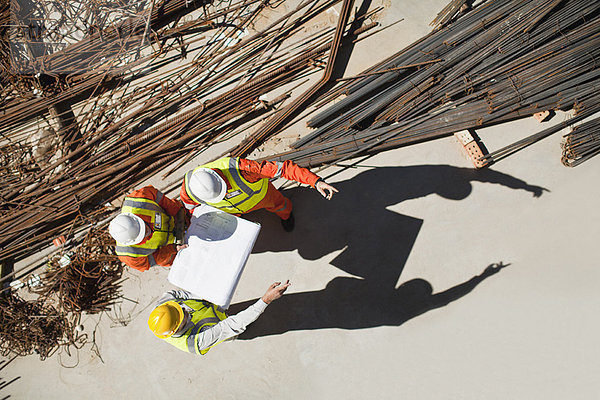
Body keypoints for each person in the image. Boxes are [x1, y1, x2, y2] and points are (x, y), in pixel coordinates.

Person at [180, 157, 338, 231]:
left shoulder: (241, 170)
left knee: (281, 206)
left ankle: (286, 216)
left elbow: (283, 169)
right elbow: (190, 206)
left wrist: (315, 181)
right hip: (234, 211)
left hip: (263, 197)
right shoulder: (191, 187)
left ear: (221, 177)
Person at [148, 280, 290, 355]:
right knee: (239, 328)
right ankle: (240, 334)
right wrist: (265, 300)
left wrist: (206, 296)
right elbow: (233, 325)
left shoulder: (163, 308)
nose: (184, 309)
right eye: (182, 314)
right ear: (177, 328)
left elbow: (176, 294)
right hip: (224, 327)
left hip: (214, 309)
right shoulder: (196, 341)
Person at [109, 185, 189, 272]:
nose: (149, 232)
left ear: (136, 218)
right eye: (143, 235)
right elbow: (152, 260)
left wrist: (177, 211)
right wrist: (172, 249)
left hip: (177, 216)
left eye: (144, 227)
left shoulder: (138, 200)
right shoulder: (129, 256)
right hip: (172, 249)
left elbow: (158, 196)